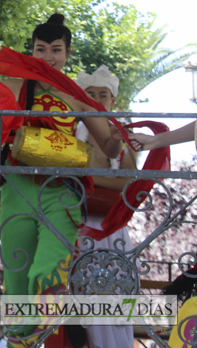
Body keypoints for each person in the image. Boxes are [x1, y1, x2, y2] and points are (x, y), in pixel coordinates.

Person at [0, 15, 122, 347]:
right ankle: (19, 343)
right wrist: (2, 125)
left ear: (67, 53)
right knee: (17, 280)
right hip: (16, 188)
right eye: (41, 49)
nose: (48, 56)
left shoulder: (77, 95)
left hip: (61, 191)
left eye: (56, 49)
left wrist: (122, 133)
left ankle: (43, 336)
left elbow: (108, 145)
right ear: (32, 51)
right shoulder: (11, 87)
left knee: (47, 273)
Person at [75, 65, 136, 348]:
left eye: (104, 95)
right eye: (90, 94)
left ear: (113, 101)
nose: (98, 100)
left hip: (112, 229)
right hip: (73, 224)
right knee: (77, 295)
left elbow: (130, 184)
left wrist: (88, 178)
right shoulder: (69, 129)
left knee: (114, 297)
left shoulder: (123, 137)